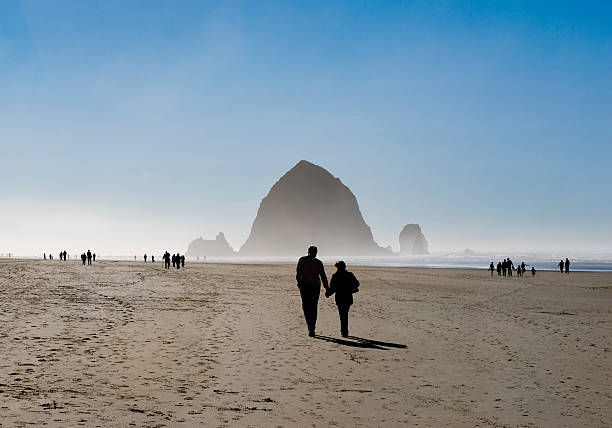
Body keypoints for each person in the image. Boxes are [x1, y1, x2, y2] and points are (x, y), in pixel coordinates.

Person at [296, 246, 329, 337]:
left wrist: (299, 284)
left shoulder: (302, 260)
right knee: (313, 307)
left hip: (305, 286)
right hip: (315, 287)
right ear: (316, 252)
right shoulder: (318, 262)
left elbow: (298, 273)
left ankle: (310, 326)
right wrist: (327, 288)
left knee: (306, 306)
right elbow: (323, 276)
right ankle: (312, 327)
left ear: (308, 252)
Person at [326, 261, 359, 337]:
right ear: (345, 266)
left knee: (342, 314)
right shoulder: (349, 274)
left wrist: (328, 294)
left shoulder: (335, 276)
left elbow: (332, 288)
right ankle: (345, 331)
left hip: (339, 298)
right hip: (348, 297)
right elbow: (357, 283)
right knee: (345, 313)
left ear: (337, 267)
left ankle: (344, 331)